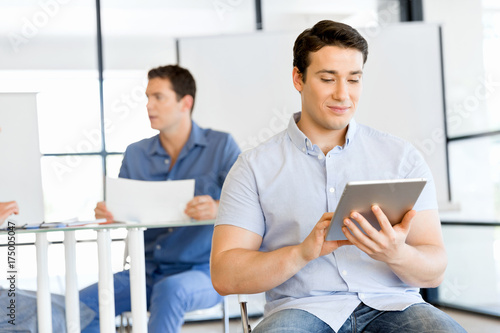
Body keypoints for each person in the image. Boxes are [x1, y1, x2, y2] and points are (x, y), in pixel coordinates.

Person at [210, 20, 466, 333]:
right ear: (298, 78)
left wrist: (396, 253)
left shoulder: (401, 157)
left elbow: (435, 269)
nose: (343, 94)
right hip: (301, 310)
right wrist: (302, 253)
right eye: (328, 79)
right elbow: (224, 275)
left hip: (393, 305)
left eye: (353, 80)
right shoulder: (253, 167)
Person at [80, 65, 241, 332]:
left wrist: (217, 207)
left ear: (184, 103)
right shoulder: (135, 154)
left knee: (170, 290)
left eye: (158, 97)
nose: (148, 105)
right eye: (147, 97)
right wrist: (111, 213)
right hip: (146, 272)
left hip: (204, 272)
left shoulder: (221, 146)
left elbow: (254, 207)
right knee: (81, 305)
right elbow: (123, 213)